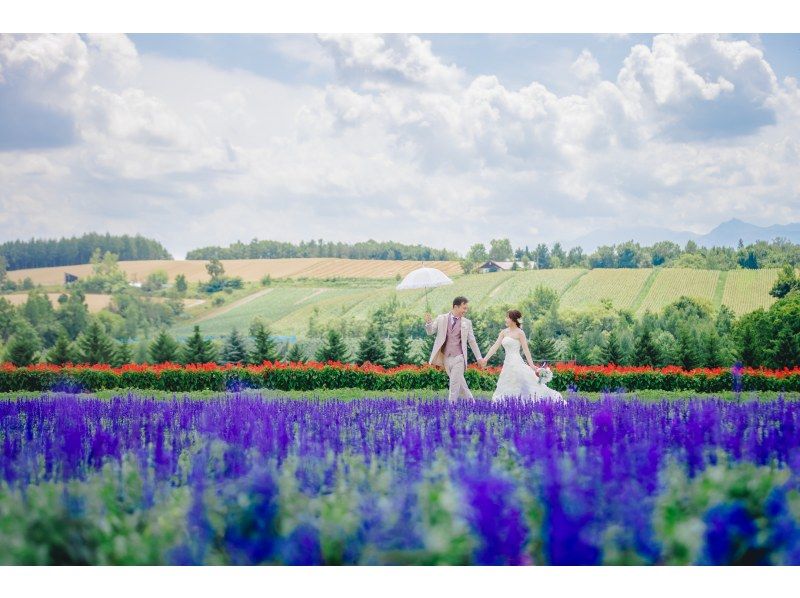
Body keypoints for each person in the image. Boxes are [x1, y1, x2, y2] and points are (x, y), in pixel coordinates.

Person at [480, 309, 564, 403]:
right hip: (507, 362)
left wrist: (531, 365)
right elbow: (495, 346)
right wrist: (485, 359)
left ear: (513, 319)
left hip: (516, 361)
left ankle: (522, 400)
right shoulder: (504, 332)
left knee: (523, 381)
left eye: (507, 317)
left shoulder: (520, 333)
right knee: (508, 381)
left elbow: (526, 350)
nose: (505, 319)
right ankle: (510, 401)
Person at [424, 296, 484, 402]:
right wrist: (428, 323)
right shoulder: (441, 318)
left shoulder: (467, 323)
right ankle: (473, 404)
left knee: (454, 384)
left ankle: (452, 408)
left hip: (459, 358)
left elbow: (472, 341)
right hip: (446, 358)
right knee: (461, 384)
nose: (465, 311)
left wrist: (479, 357)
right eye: (464, 308)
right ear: (456, 307)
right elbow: (430, 331)